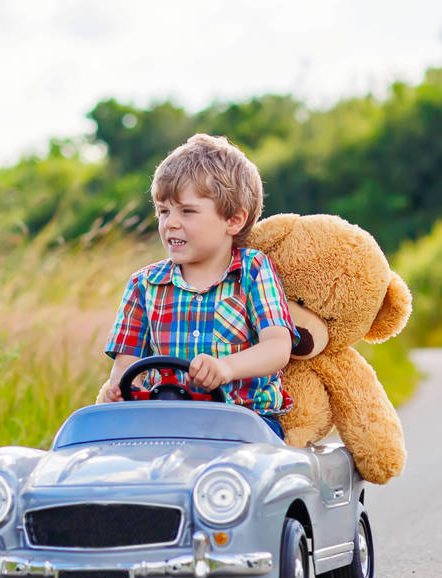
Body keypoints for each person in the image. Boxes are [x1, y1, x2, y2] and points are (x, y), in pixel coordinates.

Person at [102, 133, 297, 439]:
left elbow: (277, 347)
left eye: (187, 211)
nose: (170, 223)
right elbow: (126, 369)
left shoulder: (252, 270)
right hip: (164, 425)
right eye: (163, 211)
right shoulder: (144, 285)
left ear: (232, 220)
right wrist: (116, 392)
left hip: (245, 425)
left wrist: (226, 368)